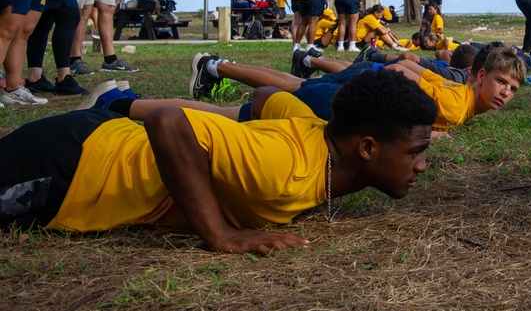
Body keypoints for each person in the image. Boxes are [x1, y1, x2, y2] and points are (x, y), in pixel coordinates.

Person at [0, 71, 436, 253]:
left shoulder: (313, 129)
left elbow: (268, 98)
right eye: (415, 152)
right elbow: (169, 122)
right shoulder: (283, 168)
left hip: (90, 140)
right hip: (72, 166)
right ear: (366, 148)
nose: (420, 166)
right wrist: (220, 234)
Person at [185, 43, 525, 133]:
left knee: (292, 84)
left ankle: (216, 67)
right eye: (500, 82)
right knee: (239, 114)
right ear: (479, 76)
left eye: (512, 88)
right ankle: (212, 70)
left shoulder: (460, 96)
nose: (505, 93)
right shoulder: (454, 105)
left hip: (361, 79)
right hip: (354, 94)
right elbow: (401, 75)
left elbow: (407, 67)